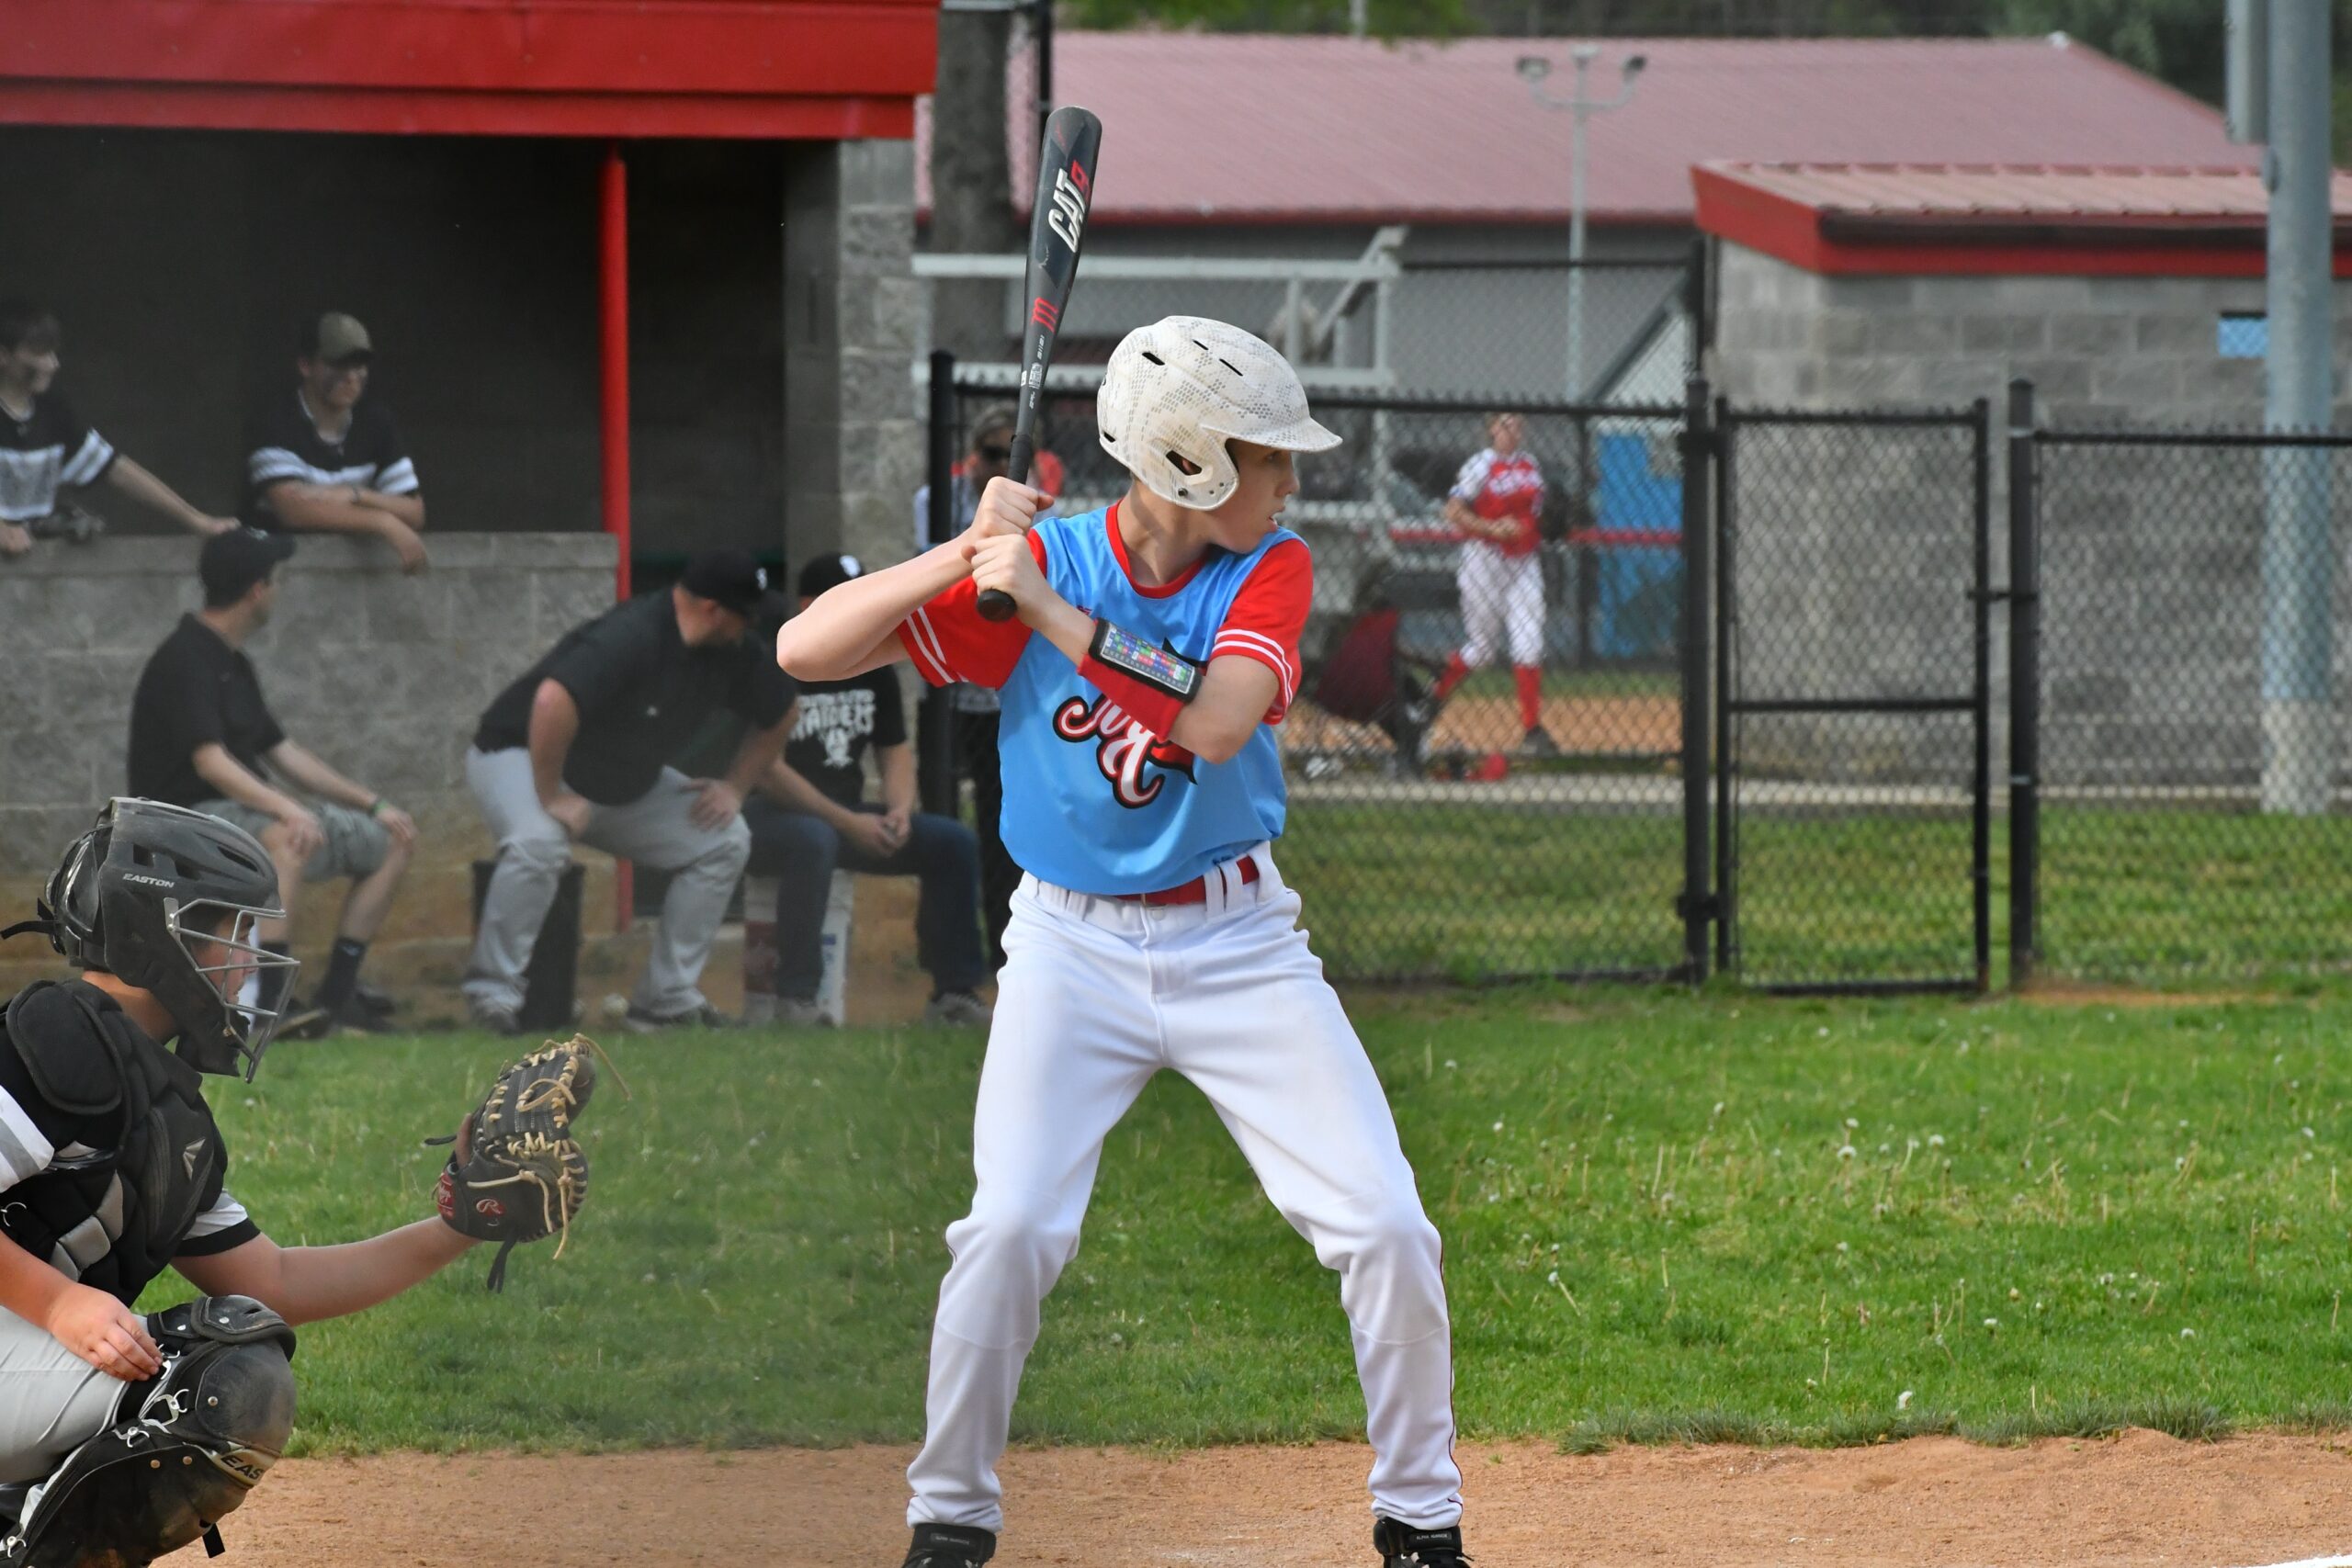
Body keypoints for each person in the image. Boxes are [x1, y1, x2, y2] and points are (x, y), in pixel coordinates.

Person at [777, 315, 1468, 1568]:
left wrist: (1050, 609)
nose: (1290, 480)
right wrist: (969, 552)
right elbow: (803, 646)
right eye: (1269, 456)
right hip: (1066, 949)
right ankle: (950, 1514)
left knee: (1384, 1224)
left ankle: (1421, 1517)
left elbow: (1214, 721)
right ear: (1194, 463)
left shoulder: (1268, 567)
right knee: (1012, 1228)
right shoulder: (1040, 561)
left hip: (1240, 940)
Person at [0, 798, 486, 1566]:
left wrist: (460, 1223)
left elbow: (275, 1279)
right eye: (234, 931)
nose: (252, 957)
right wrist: (58, 1302)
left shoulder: (159, 1107)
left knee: (239, 1364)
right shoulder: (59, 1035)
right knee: (220, 1382)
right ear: (159, 931)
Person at [465, 549, 791, 1036]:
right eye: (746, 616)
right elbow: (552, 700)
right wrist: (551, 795)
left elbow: (782, 712)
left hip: (617, 782)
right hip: (520, 754)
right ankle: (492, 998)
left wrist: (735, 788)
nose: (750, 628)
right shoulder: (635, 634)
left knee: (724, 840)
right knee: (539, 842)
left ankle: (666, 999)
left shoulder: (733, 652)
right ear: (712, 610)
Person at [126, 527, 418, 1038]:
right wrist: (287, 810)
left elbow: (284, 752)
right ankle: (265, 1007)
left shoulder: (233, 662)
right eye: (277, 579)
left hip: (239, 816)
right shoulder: (184, 657)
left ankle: (337, 997)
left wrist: (374, 804)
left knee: (392, 839)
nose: (279, 590)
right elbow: (210, 762)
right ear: (258, 589)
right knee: (286, 839)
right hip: (181, 823)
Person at [744, 558, 991, 1029]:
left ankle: (954, 994)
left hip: (847, 817)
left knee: (951, 842)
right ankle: (797, 1001)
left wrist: (898, 810)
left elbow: (895, 750)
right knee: (814, 839)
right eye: (840, 597)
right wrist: (847, 823)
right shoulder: (781, 661)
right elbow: (767, 772)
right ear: (807, 606)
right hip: (773, 815)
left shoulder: (870, 664)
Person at [913, 405, 1031, 971]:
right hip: (945, 692)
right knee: (938, 818)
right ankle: (940, 952)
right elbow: (941, 575)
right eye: (988, 454)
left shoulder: (1037, 507)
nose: (998, 466)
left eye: (1009, 455)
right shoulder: (935, 499)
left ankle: (1002, 947)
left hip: (998, 698)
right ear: (970, 457)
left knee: (997, 824)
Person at [0, 298, 236, 558]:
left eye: (53, 352)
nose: (52, 364)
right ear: (3, 355)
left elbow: (117, 469)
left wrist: (197, 521)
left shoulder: (53, 410)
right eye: (39, 353)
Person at [240, 311, 428, 574]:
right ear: (306, 365)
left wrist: (354, 494)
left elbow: (414, 511)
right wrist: (383, 521)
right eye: (339, 364)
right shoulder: (274, 421)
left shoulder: (377, 422)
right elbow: (294, 510)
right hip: (273, 578)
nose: (352, 377)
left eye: (360, 365)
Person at [1425, 411, 1555, 756]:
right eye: (1505, 425)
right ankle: (1429, 701)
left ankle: (1532, 729)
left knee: (1529, 643)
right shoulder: (1480, 465)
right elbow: (1452, 512)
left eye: (1518, 425)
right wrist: (1492, 529)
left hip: (1525, 563)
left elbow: (1544, 512)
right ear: (1492, 429)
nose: (1513, 431)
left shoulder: (1531, 465)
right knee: (1481, 650)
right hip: (1485, 562)